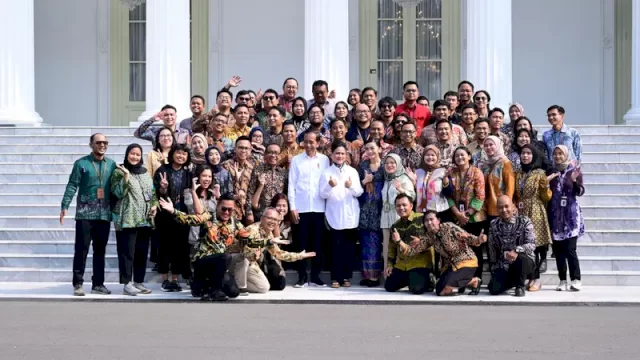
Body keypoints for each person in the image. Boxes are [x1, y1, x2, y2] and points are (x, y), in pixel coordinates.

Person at [61, 133, 117, 296]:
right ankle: (78, 283)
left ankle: (98, 284)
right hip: (85, 214)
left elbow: (116, 188)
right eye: (98, 142)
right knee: (81, 249)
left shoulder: (112, 164)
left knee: (100, 251)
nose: (102, 145)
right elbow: (72, 185)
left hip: (104, 215)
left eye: (105, 142)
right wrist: (65, 205)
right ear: (91, 144)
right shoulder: (81, 163)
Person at [157, 194, 238, 301]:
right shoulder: (208, 217)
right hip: (203, 261)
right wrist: (173, 211)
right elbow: (189, 219)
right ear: (218, 205)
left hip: (219, 266)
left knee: (234, 292)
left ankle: (203, 287)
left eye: (230, 210)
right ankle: (214, 291)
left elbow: (249, 235)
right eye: (224, 209)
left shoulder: (234, 223)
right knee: (226, 257)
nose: (226, 212)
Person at [398, 211, 486, 296]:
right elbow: (414, 250)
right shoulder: (429, 236)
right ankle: (464, 283)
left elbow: (467, 237)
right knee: (440, 291)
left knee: (447, 287)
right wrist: (399, 241)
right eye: (426, 220)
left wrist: (479, 239)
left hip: (466, 261)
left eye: (431, 219)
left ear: (438, 220)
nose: (429, 222)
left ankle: (474, 281)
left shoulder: (449, 227)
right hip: (451, 266)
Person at [111, 144, 157, 296]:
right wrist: (125, 176)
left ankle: (138, 281)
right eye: (132, 153)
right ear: (127, 154)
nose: (135, 157)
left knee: (141, 252)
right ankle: (126, 283)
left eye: (138, 154)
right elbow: (117, 193)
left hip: (144, 219)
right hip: (127, 219)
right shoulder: (119, 171)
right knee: (126, 252)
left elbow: (152, 192)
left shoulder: (145, 173)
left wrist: (154, 205)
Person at [288, 130, 331, 287]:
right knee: (300, 244)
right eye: (305, 141)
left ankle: (315, 276)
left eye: (311, 142)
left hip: (319, 209)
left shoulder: (325, 160)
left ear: (318, 143)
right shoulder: (296, 160)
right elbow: (291, 185)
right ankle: (301, 276)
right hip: (301, 208)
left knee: (317, 244)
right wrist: (292, 207)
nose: (308, 144)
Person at [320, 140, 364, 288]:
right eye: (337, 153)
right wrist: (329, 186)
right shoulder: (326, 173)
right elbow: (322, 195)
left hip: (351, 215)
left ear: (346, 155)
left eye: (342, 153)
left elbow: (359, 192)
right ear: (331, 155)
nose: (339, 156)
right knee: (335, 248)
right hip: (334, 215)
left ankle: (346, 277)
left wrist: (351, 187)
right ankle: (335, 277)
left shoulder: (352, 171)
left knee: (349, 248)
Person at [240, 208, 315, 293]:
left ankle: (237, 282)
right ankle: (236, 283)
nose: (272, 221)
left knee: (269, 286)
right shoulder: (252, 229)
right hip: (242, 263)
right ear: (262, 218)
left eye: (275, 219)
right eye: (270, 218)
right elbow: (247, 249)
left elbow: (279, 254)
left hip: (252, 263)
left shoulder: (268, 233)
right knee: (264, 288)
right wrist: (268, 242)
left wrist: (300, 256)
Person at [154, 144, 192, 291]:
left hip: (182, 215)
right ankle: (165, 279)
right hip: (164, 215)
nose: (181, 156)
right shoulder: (162, 170)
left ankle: (175, 279)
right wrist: (163, 188)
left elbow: (189, 193)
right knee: (164, 247)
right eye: (178, 153)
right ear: (172, 154)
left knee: (179, 247)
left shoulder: (188, 174)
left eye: (184, 154)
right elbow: (156, 191)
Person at [514, 144, 552, 291]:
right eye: (523, 153)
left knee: (536, 246)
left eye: (528, 153)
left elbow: (546, 197)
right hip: (521, 211)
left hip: (536, 211)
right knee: (524, 245)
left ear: (534, 156)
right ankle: (529, 276)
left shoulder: (540, 173)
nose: (525, 156)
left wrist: (545, 186)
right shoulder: (518, 173)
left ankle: (536, 279)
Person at [548, 145, 584, 291]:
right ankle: (562, 280)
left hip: (570, 215)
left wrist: (574, 180)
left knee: (570, 250)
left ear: (566, 155)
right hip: (556, 215)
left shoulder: (573, 171)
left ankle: (576, 279)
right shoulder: (551, 172)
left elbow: (580, 191)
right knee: (558, 251)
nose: (557, 156)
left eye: (560, 154)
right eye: (555, 154)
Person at [385, 194, 435, 294]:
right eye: (398, 206)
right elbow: (392, 247)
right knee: (389, 286)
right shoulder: (395, 226)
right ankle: (412, 279)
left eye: (404, 205)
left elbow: (434, 234)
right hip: (403, 264)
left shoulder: (422, 219)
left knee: (416, 289)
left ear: (411, 206)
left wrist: (421, 239)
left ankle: (428, 279)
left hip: (420, 263)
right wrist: (390, 265)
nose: (401, 208)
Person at [487, 196, 536, 297]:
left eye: (506, 206)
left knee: (520, 259)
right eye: (500, 207)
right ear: (497, 209)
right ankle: (514, 280)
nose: (504, 210)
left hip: (524, 261)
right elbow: (492, 248)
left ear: (513, 207)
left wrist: (517, 250)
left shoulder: (525, 221)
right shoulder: (493, 225)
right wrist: (495, 269)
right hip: (504, 264)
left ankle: (520, 286)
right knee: (493, 289)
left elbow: (532, 244)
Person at [380, 153, 416, 271]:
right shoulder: (386, 179)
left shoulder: (404, 178)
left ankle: (401, 272)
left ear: (398, 164)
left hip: (399, 216)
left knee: (400, 244)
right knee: (386, 246)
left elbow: (412, 196)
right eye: (387, 163)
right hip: (386, 217)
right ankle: (387, 273)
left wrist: (401, 189)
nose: (389, 165)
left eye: (392, 162)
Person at [357, 139, 385, 287]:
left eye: (372, 148)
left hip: (382, 207)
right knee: (367, 242)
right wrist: (365, 181)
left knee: (381, 242)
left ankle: (380, 275)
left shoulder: (386, 165)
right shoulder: (362, 166)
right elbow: (356, 188)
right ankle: (369, 276)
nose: (370, 151)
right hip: (366, 208)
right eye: (367, 149)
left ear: (379, 149)